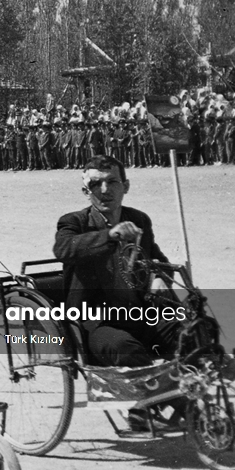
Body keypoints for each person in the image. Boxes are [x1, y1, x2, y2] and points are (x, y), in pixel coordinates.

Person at [52, 155, 178, 428]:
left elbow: (156, 258)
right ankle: (140, 407)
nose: (105, 190)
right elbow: (64, 249)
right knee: (126, 348)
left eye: (112, 182)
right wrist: (110, 236)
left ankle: (182, 402)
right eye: (95, 184)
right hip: (94, 322)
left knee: (189, 331)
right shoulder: (74, 221)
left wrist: (159, 276)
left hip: (137, 312)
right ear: (86, 191)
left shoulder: (138, 219)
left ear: (126, 186)